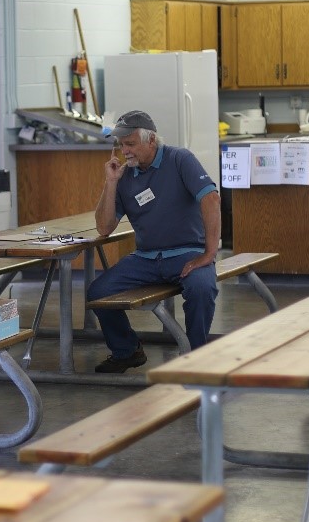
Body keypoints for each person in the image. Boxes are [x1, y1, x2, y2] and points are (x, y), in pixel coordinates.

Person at [87, 110, 222, 373]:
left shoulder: (179, 159)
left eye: (130, 144)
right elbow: (104, 228)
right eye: (121, 144)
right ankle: (127, 351)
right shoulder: (124, 176)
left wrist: (208, 253)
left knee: (202, 287)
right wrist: (111, 182)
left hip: (187, 252)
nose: (125, 151)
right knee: (98, 292)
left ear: (151, 141)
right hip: (147, 259)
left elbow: (211, 199)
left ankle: (197, 359)